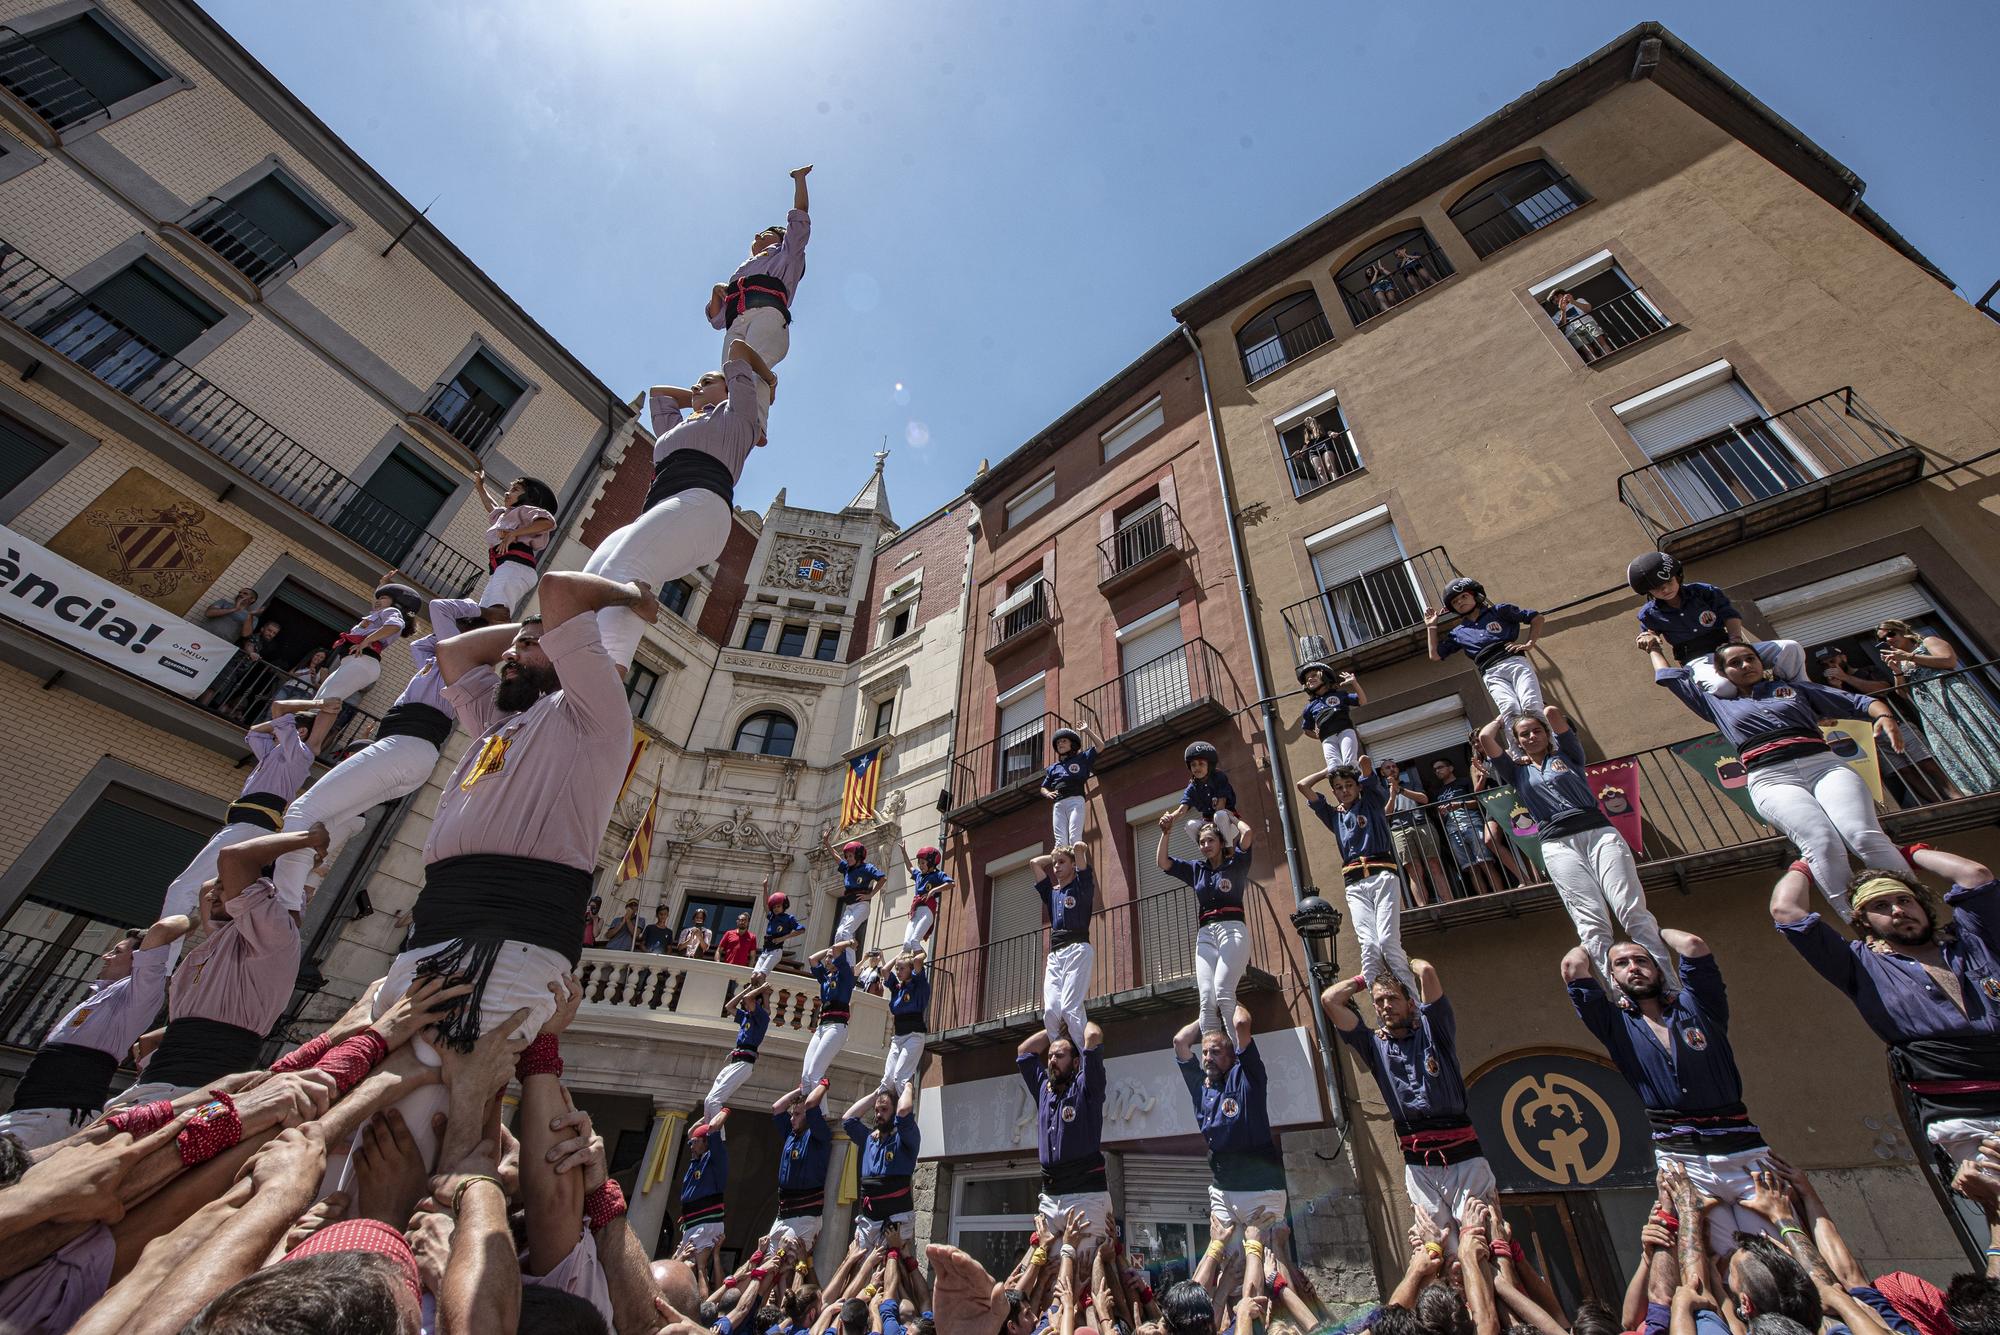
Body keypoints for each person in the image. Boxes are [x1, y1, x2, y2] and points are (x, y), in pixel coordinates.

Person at [365, 568, 657, 1168]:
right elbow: (453, 650)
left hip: (510, 935)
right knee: (379, 1116)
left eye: (528, 646)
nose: (509, 656)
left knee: (432, 1121)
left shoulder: (589, 717)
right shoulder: (499, 725)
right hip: (438, 925)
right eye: (514, 647)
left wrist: (630, 597)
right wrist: (525, 637)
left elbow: (559, 586)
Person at [1772, 842, 2000, 1179]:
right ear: (1862, 921)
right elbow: (1786, 911)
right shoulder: (1859, 965)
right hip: (1961, 1111)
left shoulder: (1973, 939)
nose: (1898, 910)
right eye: (1880, 905)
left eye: (1904, 900)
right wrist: (1808, 862)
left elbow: (1975, 875)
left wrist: (1905, 852)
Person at [1646, 633, 1911, 919]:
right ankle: (1858, 922)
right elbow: (1671, 677)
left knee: (1863, 836)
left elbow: (1859, 702)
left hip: (1824, 765)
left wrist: (1885, 717)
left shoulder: (1794, 688)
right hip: (1772, 778)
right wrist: (1653, 647)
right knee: (1821, 844)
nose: (1746, 665)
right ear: (1722, 674)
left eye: (1751, 659)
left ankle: (1915, 908)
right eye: (1736, 663)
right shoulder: (1713, 702)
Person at [267, 595, 485, 915]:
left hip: (406, 745)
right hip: (411, 753)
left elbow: (439, 607)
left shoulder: (461, 657)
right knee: (319, 822)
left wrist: (480, 610)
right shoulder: (441, 661)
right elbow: (419, 646)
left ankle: (282, 907)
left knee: (302, 813)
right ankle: (290, 904)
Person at [1564, 931, 1776, 1258]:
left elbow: (1693, 946)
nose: (1633, 967)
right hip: (1683, 1159)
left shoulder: (1699, 1006)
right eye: (1622, 964)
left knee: (1776, 1250)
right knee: (1719, 1258)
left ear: (1659, 969)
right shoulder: (1613, 1022)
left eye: (1642, 960)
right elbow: (1572, 967)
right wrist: (1595, 937)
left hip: (1742, 1150)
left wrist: (1642, 926)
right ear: (1613, 979)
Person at [580, 341, 773, 672]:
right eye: (695, 382)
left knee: (623, 573)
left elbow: (738, 350)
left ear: (732, 389)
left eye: (706, 380)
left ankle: (605, 673)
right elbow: (659, 393)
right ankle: (569, 668)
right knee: (589, 580)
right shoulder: (679, 427)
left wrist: (765, 379)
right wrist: (701, 394)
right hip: (663, 510)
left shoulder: (740, 418)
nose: (696, 386)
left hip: (701, 505)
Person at [108, 824, 330, 1106]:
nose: (212, 894)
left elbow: (234, 858)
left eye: (223, 887)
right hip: (155, 1085)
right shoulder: (222, 940)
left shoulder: (274, 936)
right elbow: (206, 888)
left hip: (187, 1093)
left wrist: (309, 839)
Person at [1477, 704, 1671, 980]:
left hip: (1598, 833)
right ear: (1517, 742)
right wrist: (1504, 717)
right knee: (1591, 921)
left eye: (1536, 731)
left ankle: (1667, 982)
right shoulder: (1515, 771)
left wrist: (1530, 708)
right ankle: (1619, 993)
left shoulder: (1569, 755)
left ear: (1547, 734)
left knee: (1630, 909)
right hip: (1557, 844)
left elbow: (1554, 712)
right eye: (1524, 735)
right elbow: (1486, 738)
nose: (1531, 737)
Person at [1322, 960, 1494, 1252]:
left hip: (1464, 1159)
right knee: (1440, 1249)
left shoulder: (1434, 1034)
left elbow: (1427, 970)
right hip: (1420, 1165)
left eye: (1393, 998)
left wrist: (1400, 960)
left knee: (1480, 1243)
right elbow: (1330, 1000)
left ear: (1411, 1003)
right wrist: (1367, 975)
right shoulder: (1374, 1046)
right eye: (1379, 1001)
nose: (1386, 1005)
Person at [0, 911, 193, 1148]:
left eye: (117, 952)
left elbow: (163, 930)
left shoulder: (140, 993)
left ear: (138, 959)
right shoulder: (103, 994)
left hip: (55, 1116)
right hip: (29, 1111)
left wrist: (194, 918)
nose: (106, 956)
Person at [159, 709, 317, 932]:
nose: (273, 732)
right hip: (248, 826)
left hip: (253, 824)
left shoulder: (299, 756)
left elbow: (280, 710)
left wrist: (312, 707)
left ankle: (161, 952)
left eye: (279, 729)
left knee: (184, 889)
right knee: (210, 894)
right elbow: (255, 732)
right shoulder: (272, 755)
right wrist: (280, 725)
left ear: (299, 731)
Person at [1300, 758, 1418, 994]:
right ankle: (1380, 1008)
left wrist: (1350, 763)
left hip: (1382, 875)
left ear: (1359, 787)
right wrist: (1327, 771)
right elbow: (1303, 786)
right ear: (1334, 792)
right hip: (1354, 883)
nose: (1345, 791)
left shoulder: (1372, 803)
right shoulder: (1334, 815)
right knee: (1370, 946)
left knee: (1388, 942)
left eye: (1349, 785)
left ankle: (1414, 1003)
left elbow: (1365, 764)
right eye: (1339, 788)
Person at [1173, 1004, 1289, 1241]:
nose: (1207, 1058)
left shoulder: (1247, 1078)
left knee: (1270, 1262)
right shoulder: (1201, 1086)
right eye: (1205, 1052)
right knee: (1229, 1263)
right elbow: (1179, 1042)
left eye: (1215, 1052)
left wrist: (1226, 1000)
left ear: (1232, 1055)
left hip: (1260, 1188)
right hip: (1223, 1189)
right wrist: (1205, 1014)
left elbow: (1241, 1023)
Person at [707, 165, 812, 417]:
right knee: (730, 372)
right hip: (737, 321)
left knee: (753, 367)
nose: (757, 235)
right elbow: (717, 319)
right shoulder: (741, 272)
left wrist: (799, 180)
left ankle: (756, 423)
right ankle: (730, 420)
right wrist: (717, 291)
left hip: (767, 312)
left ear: (780, 238)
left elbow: (800, 215)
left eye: (765, 233)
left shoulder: (787, 255)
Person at [1627, 553, 1806, 699]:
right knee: (1723, 687)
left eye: (1668, 583)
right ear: (1648, 592)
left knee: (1790, 648)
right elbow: (1650, 634)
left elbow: (1730, 615)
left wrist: (1735, 643)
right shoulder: (1649, 614)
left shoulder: (1704, 592)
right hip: (1696, 660)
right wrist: (1647, 637)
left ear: (1678, 576)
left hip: (1729, 647)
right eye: (1658, 588)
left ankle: (1803, 693)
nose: (1665, 590)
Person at [1815, 646, 1962, 803]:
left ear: (1843, 658)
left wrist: (1846, 678)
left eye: (1832, 661)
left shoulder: (1868, 671)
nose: (1830, 666)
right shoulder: (1830, 687)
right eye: (1824, 665)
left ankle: (1956, 797)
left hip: (1896, 724)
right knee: (1904, 772)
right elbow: (1837, 713)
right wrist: (1837, 688)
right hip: (1868, 735)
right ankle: (1938, 803)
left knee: (1926, 763)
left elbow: (1884, 689)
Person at [1156, 809, 1255, 1035]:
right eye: (1201, 842)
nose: (1205, 845)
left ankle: (1240, 1053)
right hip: (1205, 935)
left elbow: (1247, 833)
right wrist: (1166, 832)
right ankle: (1215, 1056)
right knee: (1206, 1000)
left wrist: (1230, 819)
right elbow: (1163, 862)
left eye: (1210, 840)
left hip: (1232, 930)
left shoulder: (1236, 863)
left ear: (1221, 842)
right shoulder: (1196, 869)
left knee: (1223, 992)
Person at [1879, 618, 2000, 796]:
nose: (1888, 640)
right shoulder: (1901, 661)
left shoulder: (1928, 642)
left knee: (1974, 730)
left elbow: (1948, 661)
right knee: (1951, 744)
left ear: (1902, 631)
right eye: (1883, 639)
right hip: (1932, 709)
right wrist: (1897, 670)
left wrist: (1910, 656)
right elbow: (1903, 694)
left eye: (1891, 634)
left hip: (1951, 695)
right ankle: (1982, 785)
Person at [1018, 1022, 1112, 1242]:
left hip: (1085, 1193)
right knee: (1048, 1266)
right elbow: (1024, 1052)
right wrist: (1053, 1031)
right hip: (1051, 1193)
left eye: (1059, 1056)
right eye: (1049, 1056)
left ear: (1076, 1062)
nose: (1051, 1060)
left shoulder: (1086, 1087)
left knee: (1087, 1266)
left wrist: (1073, 1018)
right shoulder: (1043, 1089)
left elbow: (1094, 1035)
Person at [306, 579, 423, 754]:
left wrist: (367, 640)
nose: (377, 600)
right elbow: (379, 607)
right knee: (324, 700)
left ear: (397, 603)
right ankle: (312, 742)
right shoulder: (379, 613)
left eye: (382, 597)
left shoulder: (391, 611)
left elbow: (395, 625)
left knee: (327, 700)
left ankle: (312, 744)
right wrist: (382, 584)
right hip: (357, 663)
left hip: (361, 661)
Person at [1427, 577, 1546, 721]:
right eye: (1454, 601)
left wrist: (1530, 643)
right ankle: (1517, 744)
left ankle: (1549, 743)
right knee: (1509, 709)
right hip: (1490, 672)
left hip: (1513, 661)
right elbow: (1435, 655)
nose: (1460, 602)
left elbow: (1536, 618)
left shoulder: (1499, 611)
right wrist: (1431, 626)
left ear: (1475, 596)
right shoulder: (1458, 632)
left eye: (1464, 596)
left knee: (1531, 705)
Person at [1031, 840, 1096, 1045]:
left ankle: (1086, 1058)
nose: (1056, 866)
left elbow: (1081, 858)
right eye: (1055, 863)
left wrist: (1077, 852)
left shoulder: (1082, 886)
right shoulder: (1051, 893)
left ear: (1073, 865)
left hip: (1077, 949)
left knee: (1070, 1009)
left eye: (1061, 862)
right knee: (1050, 1012)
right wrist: (1054, 857)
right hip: (1055, 954)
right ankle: (1061, 1054)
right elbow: (1034, 863)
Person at [471, 470, 558, 623]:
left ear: (530, 497)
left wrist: (514, 534)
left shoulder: (526, 510)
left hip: (516, 566)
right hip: (503, 567)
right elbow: (491, 505)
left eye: (515, 490)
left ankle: (496, 638)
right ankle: (479, 633)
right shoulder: (506, 515)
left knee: (497, 610)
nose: (507, 493)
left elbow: (548, 522)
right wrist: (480, 487)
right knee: (485, 610)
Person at [842, 1082, 920, 1248]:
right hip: (869, 1219)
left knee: (891, 1268)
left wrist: (907, 1087)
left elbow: (904, 1112)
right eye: (876, 1110)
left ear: (894, 1111)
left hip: (896, 1219)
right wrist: (876, 1094)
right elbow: (847, 1120)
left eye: (884, 1110)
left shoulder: (904, 1138)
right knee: (859, 1265)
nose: (878, 1114)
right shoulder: (870, 1138)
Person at [770, 1082, 833, 1259]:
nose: (792, 1119)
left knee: (787, 1264)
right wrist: (801, 1089)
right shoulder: (791, 1134)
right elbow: (777, 1108)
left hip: (805, 1215)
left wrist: (821, 1085)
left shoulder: (817, 1135)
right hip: (784, 1213)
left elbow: (812, 1105)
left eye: (797, 1114)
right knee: (769, 1261)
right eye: (792, 1115)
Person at [699, 980, 771, 1128]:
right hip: (735, 1061)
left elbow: (748, 999)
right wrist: (748, 989)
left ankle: (718, 1136)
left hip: (744, 1063)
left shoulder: (762, 1017)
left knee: (715, 1101)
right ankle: (708, 1131)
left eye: (749, 1003)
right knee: (709, 1100)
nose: (745, 1005)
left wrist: (761, 990)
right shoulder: (745, 1016)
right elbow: (729, 1006)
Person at [1431, 757, 1505, 897]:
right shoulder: (1438, 792)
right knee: (1471, 868)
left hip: (1472, 823)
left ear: (1451, 768)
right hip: (1452, 830)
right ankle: (1486, 899)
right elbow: (1438, 815)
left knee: (1485, 862)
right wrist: (1440, 813)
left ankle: (1501, 894)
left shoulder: (1464, 782)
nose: (1437, 771)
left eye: (1440, 767)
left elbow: (1478, 802)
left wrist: (1460, 804)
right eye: (1435, 770)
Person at [1383, 761, 1450, 907]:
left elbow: (1424, 799)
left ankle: (1449, 902)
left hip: (1422, 824)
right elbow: (1386, 814)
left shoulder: (1411, 783)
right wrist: (1392, 794)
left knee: (1434, 864)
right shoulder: (1381, 791)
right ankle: (1423, 907)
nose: (1392, 769)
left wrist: (1400, 789)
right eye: (1387, 767)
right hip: (1399, 830)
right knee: (1413, 870)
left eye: (1394, 766)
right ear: (1383, 773)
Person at [1294, 660, 1367, 790]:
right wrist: (1317, 736)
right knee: (1333, 767)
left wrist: (1354, 683)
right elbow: (1306, 729)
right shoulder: (1310, 707)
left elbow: (1362, 701)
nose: (1310, 679)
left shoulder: (1340, 695)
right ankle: (1341, 795)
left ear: (1324, 677)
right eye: (1307, 678)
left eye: (1313, 675)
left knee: (1349, 762)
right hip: (1327, 738)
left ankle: (1358, 789)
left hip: (1345, 731)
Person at [799, 940, 858, 1093]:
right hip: (822, 1026)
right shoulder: (825, 977)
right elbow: (812, 959)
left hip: (836, 1026)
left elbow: (838, 950)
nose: (827, 959)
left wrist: (849, 942)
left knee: (815, 1074)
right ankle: (807, 1108)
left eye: (831, 957)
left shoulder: (844, 974)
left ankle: (819, 1113)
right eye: (826, 957)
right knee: (806, 1076)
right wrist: (829, 950)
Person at [678, 1119, 728, 1293]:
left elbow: (713, 1130)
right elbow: (693, 1131)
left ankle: (702, 1308)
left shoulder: (715, 1159)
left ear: (706, 1142)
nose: (691, 1146)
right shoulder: (696, 1162)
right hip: (694, 1222)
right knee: (686, 1265)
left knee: (698, 1267)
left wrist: (717, 1111)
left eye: (695, 1142)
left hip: (706, 1222)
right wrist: (703, 1119)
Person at [823, 832, 886, 964]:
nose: (848, 858)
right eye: (847, 856)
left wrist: (871, 894)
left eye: (850, 856)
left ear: (858, 856)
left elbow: (882, 878)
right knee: (839, 934)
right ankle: (838, 963)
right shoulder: (847, 868)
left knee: (846, 932)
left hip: (861, 906)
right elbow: (835, 856)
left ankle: (850, 966)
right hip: (849, 907)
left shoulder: (867, 868)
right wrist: (826, 842)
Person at [1040, 723, 1099, 850]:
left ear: (1072, 744)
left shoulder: (1082, 758)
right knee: (1060, 843)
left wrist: (1087, 730)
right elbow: (1043, 787)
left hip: (1075, 800)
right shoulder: (1053, 768)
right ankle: (1063, 867)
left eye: (1063, 741)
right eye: (1058, 743)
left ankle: (1078, 866)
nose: (1060, 744)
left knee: (1074, 838)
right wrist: (1047, 793)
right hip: (1058, 804)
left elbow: (1100, 746)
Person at [1171, 741, 1242, 844]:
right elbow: (1182, 810)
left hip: (1228, 822)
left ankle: (1228, 849)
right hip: (1210, 825)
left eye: (1201, 764)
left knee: (1220, 815)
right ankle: (1209, 852)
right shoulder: (1192, 787)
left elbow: (1220, 806)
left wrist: (1211, 828)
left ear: (1210, 765)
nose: (1197, 768)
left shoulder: (1219, 777)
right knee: (1190, 824)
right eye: (1193, 765)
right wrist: (1169, 819)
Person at [881, 949, 930, 1094]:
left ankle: (905, 1114)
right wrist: (901, 954)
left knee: (900, 1078)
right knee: (888, 1080)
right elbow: (884, 970)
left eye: (902, 968)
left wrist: (919, 954)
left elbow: (918, 961)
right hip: (898, 1038)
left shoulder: (918, 984)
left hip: (913, 1036)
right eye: (897, 968)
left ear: (910, 969)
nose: (898, 971)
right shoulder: (897, 988)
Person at [897, 844, 951, 952]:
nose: (920, 865)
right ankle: (907, 966)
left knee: (914, 941)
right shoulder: (918, 875)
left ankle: (919, 964)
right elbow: (909, 867)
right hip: (916, 911)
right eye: (919, 862)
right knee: (906, 944)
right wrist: (904, 852)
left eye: (923, 863)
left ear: (931, 863)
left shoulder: (937, 875)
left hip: (928, 910)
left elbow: (950, 883)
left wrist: (933, 890)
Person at [754, 881, 803, 980]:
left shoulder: (789, 918)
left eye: (778, 906)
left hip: (776, 951)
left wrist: (783, 938)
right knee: (754, 977)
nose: (776, 909)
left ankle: (764, 993)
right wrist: (765, 888)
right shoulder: (772, 917)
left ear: (784, 906)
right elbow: (765, 906)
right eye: (774, 907)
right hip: (765, 950)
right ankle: (758, 993)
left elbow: (801, 930)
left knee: (760, 976)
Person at [1549, 288, 1615, 360]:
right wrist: (1563, 311)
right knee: (1588, 351)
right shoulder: (1556, 316)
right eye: (1553, 300)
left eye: (1555, 297)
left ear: (1561, 295)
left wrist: (1573, 301)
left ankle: (1611, 358)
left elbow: (1588, 309)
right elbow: (1562, 328)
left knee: (1601, 343)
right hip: (1572, 332)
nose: (1555, 301)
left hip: (1587, 323)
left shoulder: (1579, 300)